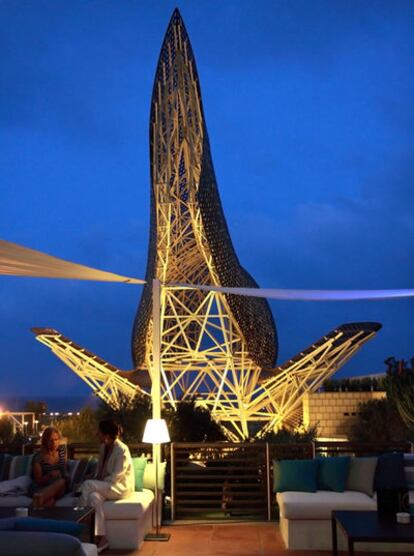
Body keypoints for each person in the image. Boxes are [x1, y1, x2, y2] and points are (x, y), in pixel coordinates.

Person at [79, 419, 135, 553]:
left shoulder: (122, 450)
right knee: (93, 497)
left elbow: (116, 477)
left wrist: (96, 483)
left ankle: (79, 525)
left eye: (98, 432)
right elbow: (100, 470)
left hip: (119, 487)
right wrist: (96, 478)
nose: (96, 434)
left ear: (106, 435)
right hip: (106, 485)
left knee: (87, 486)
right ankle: (101, 538)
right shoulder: (103, 447)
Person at [30, 426, 68, 508]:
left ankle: (33, 504)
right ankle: (36, 513)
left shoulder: (62, 452)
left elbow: (65, 473)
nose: (54, 443)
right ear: (45, 441)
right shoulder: (38, 457)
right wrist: (49, 475)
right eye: (51, 440)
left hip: (59, 486)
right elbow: (38, 481)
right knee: (50, 502)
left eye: (56, 439)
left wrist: (62, 475)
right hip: (42, 487)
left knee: (61, 482)